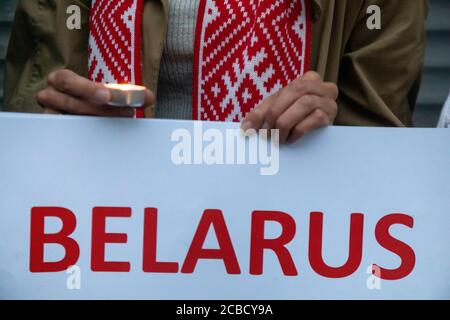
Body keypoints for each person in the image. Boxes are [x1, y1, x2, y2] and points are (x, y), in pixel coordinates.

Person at [4, 0, 428, 144]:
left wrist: (328, 130)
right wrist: (58, 126)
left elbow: (380, 143)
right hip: (111, 236)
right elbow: (36, 89)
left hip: (282, 244)